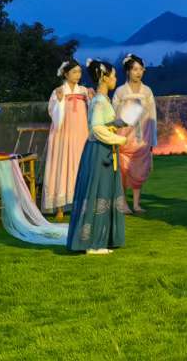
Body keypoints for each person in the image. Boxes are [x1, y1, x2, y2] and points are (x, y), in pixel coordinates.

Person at [67, 60, 129, 255]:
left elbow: (102, 124)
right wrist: (119, 139)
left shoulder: (102, 100)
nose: (115, 79)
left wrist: (115, 124)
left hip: (105, 150)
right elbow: (96, 128)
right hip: (100, 151)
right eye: (114, 76)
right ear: (104, 77)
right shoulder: (99, 101)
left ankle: (101, 238)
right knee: (98, 192)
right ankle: (92, 243)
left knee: (105, 192)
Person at [43, 60, 90, 216]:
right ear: (65, 73)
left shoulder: (84, 91)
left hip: (81, 134)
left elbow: (92, 111)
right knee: (61, 165)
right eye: (74, 72)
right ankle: (59, 207)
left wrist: (92, 98)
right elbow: (53, 114)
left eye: (79, 72)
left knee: (79, 165)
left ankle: (81, 204)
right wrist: (60, 100)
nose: (78, 75)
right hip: (63, 134)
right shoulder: (58, 91)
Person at [112, 54, 156, 215]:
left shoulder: (147, 91)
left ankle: (136, 204)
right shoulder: (120, 91)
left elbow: (152, 115)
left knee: (140, 169)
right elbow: (114, 114)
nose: (138, 73)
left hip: (142, 135)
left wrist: (152, 140)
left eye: (141, 69)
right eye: (135, 69)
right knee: (123, 170)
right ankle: (123, 202)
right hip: (125, 136)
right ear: (128, 71)